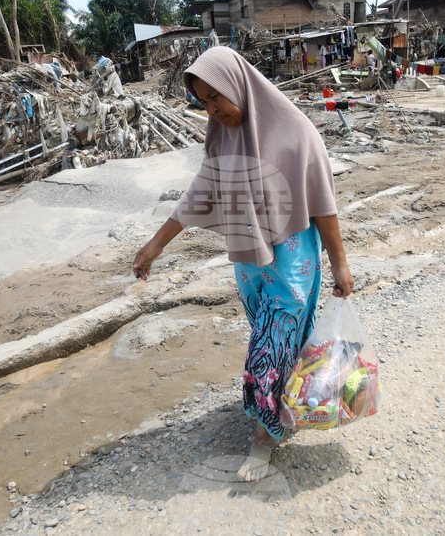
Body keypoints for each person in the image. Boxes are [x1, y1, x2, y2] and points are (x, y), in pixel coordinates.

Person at [132, 47, 354, 482]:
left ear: (238, 85)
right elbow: (198, 196)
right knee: (275, 342)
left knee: (269, 349)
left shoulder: (297, 131)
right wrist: (155, 245)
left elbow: (324, 207)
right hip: (251, 267)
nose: (212, 109)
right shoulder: (222, 137)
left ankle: (263, 440)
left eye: (217, 97)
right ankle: (290, 406)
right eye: (203, 102)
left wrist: (340, 265)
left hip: (292, 263)